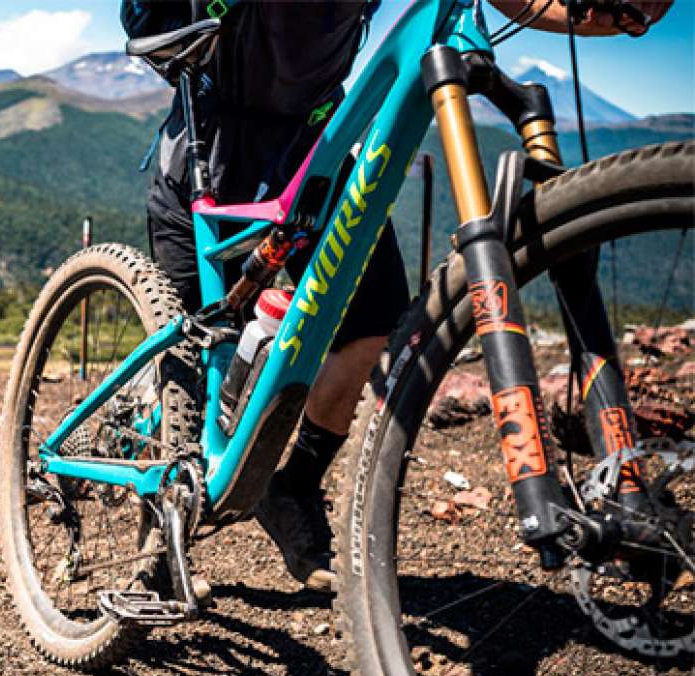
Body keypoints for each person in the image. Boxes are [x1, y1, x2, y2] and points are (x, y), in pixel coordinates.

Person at [137, 0, 672, 592]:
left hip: (319, 149)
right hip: (209, 146)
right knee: (192, 356)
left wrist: (604, 12)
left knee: (376, 331)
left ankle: (293, 489)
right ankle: (154, 553)